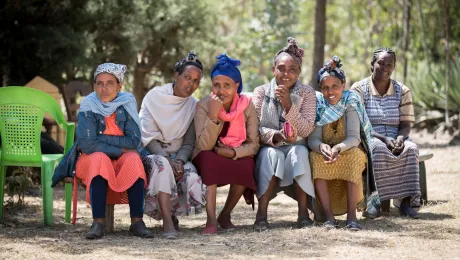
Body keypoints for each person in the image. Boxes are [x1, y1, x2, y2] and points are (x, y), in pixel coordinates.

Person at [74, 63, 152, 239]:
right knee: (100, 158)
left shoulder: (127, 102)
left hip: (122, 159)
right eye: (99, 83)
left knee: (133, 158)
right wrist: (118, 148)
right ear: (94, 85)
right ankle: (98, 223)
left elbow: (133, 141)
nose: (104, 88)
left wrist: (99, 139)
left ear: (119, 85)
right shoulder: (88, 104)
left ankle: (137, 222)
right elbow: (87, 144)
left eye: (110, 83)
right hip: (92, 159)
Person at [139, 52, 207, 239]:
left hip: (178, 156)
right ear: (176, 75)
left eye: (196, 81)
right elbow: (149, 138)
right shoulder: (154, 97)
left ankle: (173, 214)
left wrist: (179, 160)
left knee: (191, 176)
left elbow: (189, 141)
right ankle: (167, 221)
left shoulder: (194, 106)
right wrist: (168, 160)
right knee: (161, 168)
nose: (191, 84)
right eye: (187, 77)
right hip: (151, 153)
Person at [252, 37, 316, 231]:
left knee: (300, 153)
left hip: (296, 145)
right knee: (271, 155)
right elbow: (255, 129)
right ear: (273, 70)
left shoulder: (307, 93)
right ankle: (262, 214)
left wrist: (288, 104)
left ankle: (303, 213)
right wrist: (277, 136)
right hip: (270, 146)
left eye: (292, 69)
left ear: (299, 72)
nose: (286, 74)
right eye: (281, 68)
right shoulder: (261, 92)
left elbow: (306, 129)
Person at [192, 54, 260, 235]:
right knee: (208, 159)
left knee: (247, 164)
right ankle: (211, 220)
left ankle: (225, 215)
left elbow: (253, 144)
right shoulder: (204, 105)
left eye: (227, 85)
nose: (221, 90)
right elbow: (203, 145)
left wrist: (233, 152)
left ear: (237, 86)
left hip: (233, 152)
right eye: (216, 85)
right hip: (207, 153)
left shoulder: (247, 106)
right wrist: (213, 116)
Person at [350, 47, 421, 219]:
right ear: (372, 65)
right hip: (369, 137)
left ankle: (406, 203)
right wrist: (384, 138)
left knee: (411, 149)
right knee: (378, 149)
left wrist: (399, 139)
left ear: (394, 67)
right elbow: (359, 124)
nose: (385, 68)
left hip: (396, 136)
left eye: (390, 64)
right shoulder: (359, 89)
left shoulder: (402, 91)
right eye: (381, 63)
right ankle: (375, 203)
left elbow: (405, 124)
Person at [309, 56, 373, 231]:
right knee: (315, 158)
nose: (330, 92)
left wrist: (338, 148)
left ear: (343, 85)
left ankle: (352, 217)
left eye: (335, 86)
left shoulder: (350, 101)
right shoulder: (319, 104)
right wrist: (321, 147)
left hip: (348, 149)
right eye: (325, 88)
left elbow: (354, 138)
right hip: (326, 152)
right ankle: (329, 217)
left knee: (354, 157)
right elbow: (314, 139)